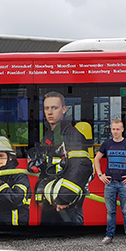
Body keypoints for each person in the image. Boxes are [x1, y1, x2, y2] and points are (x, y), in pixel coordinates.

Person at [34, 91, 93, 226]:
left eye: (54, 108)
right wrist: (40, 196)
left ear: (64, 110)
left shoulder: (72, 134)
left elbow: (81, 165)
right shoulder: (49, 135)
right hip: (52, 200)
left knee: (70, 237)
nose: (50, 112)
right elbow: (48, 170)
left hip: (67, 204)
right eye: (47, 108)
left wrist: (64, 198)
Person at [94, 119, 126, 246]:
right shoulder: (106, 144)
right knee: (110, 212)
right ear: (111, 130)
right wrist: (100, 175)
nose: (115, 131)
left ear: (122, 130)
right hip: (110, 183)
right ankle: (109, 236)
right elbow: (96, 159)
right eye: (113, 129)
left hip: (124, 184)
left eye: (117, 129)